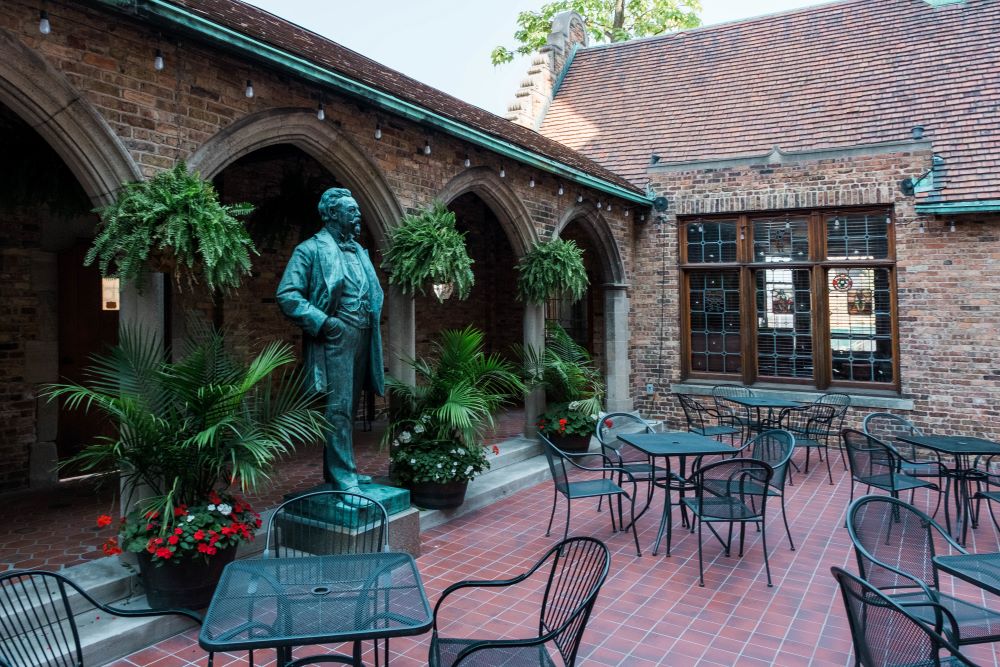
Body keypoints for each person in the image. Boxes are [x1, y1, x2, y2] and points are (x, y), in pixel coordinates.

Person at [276, 187, 384, 494]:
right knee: (337, 408)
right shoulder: (310, 250)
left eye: (356, 210)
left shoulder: (359, 251)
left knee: (349, 407)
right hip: (336, 334)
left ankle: (339, 469)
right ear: (332, 214)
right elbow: (287, 295)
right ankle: (344, 477)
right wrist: (324, 323)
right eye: (351, 210)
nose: (358, 214)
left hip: (363, 334)